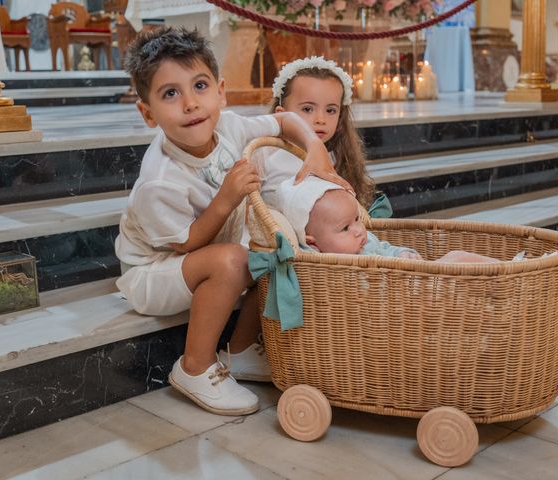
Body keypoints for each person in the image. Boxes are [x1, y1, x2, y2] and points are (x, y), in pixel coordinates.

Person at [115, 26, 349, 416]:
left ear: (221, 91)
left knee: (274, 246)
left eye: (200, 86)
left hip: (205, 252)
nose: (190, 103)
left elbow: (287, 120)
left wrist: (314, 148)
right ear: (147, 113)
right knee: (234, 260)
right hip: (155, 270)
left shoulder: (229, 127)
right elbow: (186, 243)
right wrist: (226, 197)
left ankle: (239, 350)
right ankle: (194, 366)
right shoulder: (159, 180)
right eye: (170, 93)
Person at [254, 56, 393, 218]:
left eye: (330, 110)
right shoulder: (265, 155)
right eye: (307, 109)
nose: (321, 119)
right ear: (281, 114)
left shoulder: (336, 159)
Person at [278, 175, 500, 264]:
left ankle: (508, 270)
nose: (358, 230)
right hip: (399, 300)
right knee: (454, 261)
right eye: (345, 228)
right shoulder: (320, 263)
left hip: (410, 285)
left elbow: (387, 249)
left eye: (356, 219)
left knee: (456, 257)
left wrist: (402, 253)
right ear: (314, 243)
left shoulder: (366, 243)